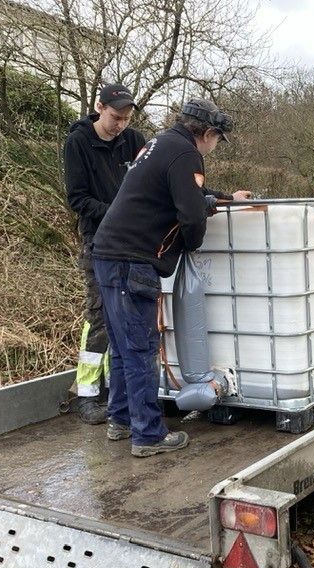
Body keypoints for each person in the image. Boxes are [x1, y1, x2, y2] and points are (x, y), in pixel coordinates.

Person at [91, 99, 252, 457]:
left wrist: (226, 198)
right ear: (208, 133)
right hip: (132, 261)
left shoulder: (160, 143)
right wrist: (191, 247)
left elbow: (185, 195)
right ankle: (147, 435)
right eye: (217, 139)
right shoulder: (186, 153)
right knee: (141, 350)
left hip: (109, 255)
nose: (214, 146)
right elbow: (191, 214)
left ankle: (121, 420)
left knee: (123, 348)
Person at [63, 83, 146, 424]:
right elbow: (78, 199)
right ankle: (86, 394)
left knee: (128, 317)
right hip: (98, 242)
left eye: (126, 119)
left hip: (134, 244)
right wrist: (117, 213)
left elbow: (158, 181)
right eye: (115, 117)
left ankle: (117, 392)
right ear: (99, 108)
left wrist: (218, 196)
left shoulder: (135, 142)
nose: (120, 125)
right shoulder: (79, 142)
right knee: (99, 316)